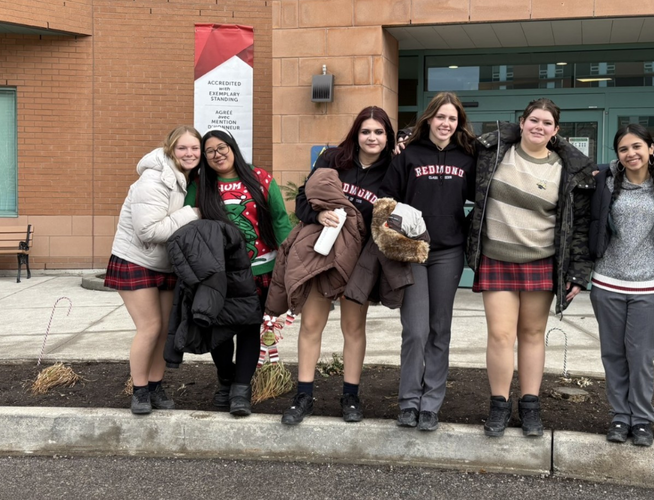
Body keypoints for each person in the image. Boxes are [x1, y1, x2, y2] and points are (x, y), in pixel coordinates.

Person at [465, 98, 596, 437]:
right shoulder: (493, 152)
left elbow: (579, 225)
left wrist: (579, 271)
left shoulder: (567, 169)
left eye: (547, 123)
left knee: (533, 334)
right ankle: (498, 405)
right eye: (533, 120)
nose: (539, 127)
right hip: (496, 257)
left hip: (540, 260)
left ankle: (530, 405)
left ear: (556, 130)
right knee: (500, 334)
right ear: (521, 122)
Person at [281, 106, 396, 425]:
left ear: (388, 136)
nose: (372, 137)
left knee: (353, 328)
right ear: (356, 134)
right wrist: (318, 215)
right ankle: (304, 395)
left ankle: (351, 396)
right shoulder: (333, 159)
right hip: (324, 254)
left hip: (360, 260)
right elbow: (303, 200)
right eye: (366, 131)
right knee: (311, 324)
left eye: (379, 132)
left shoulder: (392, 169)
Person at [379, 91, 476, 432]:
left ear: (458, 122)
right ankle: (408, 402)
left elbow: (484, 191)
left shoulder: (468, 156)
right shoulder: (408, 155)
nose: (446, 123)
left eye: (452, 118)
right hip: (415, 251)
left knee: (439, 329)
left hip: (449, 251)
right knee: (416, 330)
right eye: (441, 117)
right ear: (429, 119)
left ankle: (431, 405)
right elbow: (387, 199)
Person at [588, 123, 654, 447]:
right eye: (623, 149)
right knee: (613, 355)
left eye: (637, 147)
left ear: (650, 149)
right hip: (607, 283)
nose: (631, 153)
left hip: (646, 287)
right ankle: (619, 416)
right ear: (617, 155)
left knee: (641, 356)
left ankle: (642, 419)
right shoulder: (605, 182)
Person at [185, 128, 293, 416]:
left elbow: (281, 220)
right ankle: (225, 379)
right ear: (205, 158)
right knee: (217, 330)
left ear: (233, 147)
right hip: (218, 274)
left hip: (260, 270)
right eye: (210, 151)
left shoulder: (261, 179)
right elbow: (188, 227)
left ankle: (240, 391)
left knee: (248, 329)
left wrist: (290, 258)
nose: (218, 154)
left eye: (222, 147)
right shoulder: (199, 186)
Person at [105, 125, 201, 415]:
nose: (189, 153)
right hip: (137, 259)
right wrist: (192, 213)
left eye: (194, 148)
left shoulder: (185, 178)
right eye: (183, 148)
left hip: (166, 262)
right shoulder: (154, 180)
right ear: (171, 149)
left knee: (164, 331)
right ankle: (139, 390)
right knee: (149, 327)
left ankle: (156, 385)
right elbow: (147, 231)